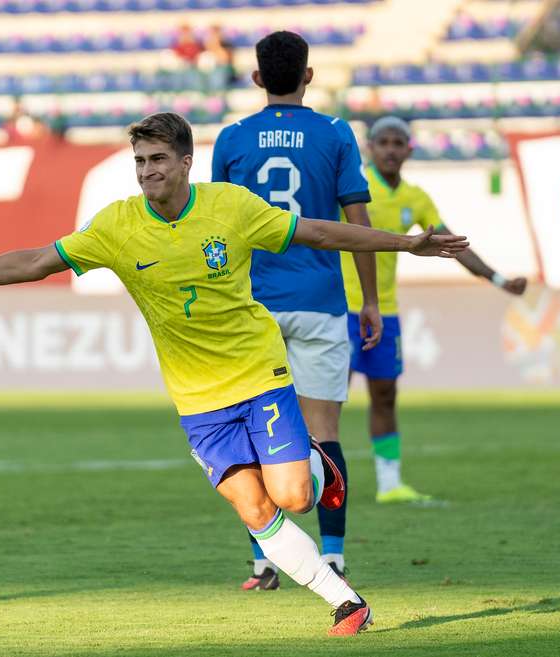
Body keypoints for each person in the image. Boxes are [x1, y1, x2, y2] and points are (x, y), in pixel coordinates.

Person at [0, 112, 467, 636]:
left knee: (294, 496)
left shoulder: (232, 208)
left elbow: (318, 231)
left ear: (187, 162)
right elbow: (37, 261)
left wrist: (406, 245)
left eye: (158, 159)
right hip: (197, 400)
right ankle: (346, 603)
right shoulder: (117, 225)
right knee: (255, 510)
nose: (147, 171)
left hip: (258, 373)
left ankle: (321, 464)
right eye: (139, 161)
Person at [212, 31, 378, 591]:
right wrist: (371, 300)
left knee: (253, 435)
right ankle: (331, 555)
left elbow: (220, 229)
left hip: (253, 308)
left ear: (257, 79)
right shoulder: (335, 133)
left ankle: (264, 561)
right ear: (309, 75)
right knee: (324, 432)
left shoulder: (232, 139)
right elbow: (358, 226)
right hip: (321, 303)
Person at [342, 116, 526, 504]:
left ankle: (390, 485)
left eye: (398, 143)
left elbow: (453, 244)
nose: (390, 149)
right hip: (339, 309)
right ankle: (318, 479)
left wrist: (498, 279)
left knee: (385, 395)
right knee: (329, 398)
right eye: (383, 142)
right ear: (369, 149)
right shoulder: (355, 189)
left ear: (409, 150)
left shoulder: (416, 198)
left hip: (384, 311)